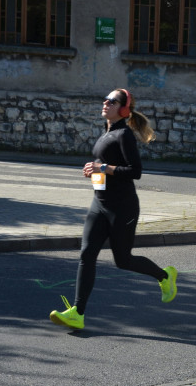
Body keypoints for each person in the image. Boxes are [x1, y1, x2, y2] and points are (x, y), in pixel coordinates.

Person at [50, 89, 178, 330]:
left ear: (123, 109)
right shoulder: (105, 134)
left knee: (123, 260)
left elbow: (135, 171)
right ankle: (77, 313)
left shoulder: (124, 135)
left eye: (112, 101)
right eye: (105, 100)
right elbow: (105, 169)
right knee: (87, 254)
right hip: (99, 204)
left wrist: (105, 168)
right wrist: (94, 172)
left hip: (123, 207)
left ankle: (165, 276)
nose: (105, 103)